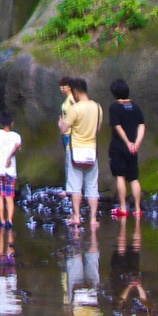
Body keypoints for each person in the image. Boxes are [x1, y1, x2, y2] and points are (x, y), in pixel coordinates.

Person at [59, 76, 103, 230]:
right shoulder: (97, 107)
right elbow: (98, 129)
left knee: (76, 187)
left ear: (76, 92)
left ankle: (77, 216)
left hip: (75, 151)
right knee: (92, 186)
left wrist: (60, 123)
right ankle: (93, 219)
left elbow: (65, 129)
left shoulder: (75, 109)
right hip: (92, 150)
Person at [107, 77, 145, 218]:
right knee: (134, 178)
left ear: (114, 93)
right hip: (133, 149)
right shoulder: (135, 107)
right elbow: (142, 125)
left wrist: (127, 142)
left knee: (120, 177)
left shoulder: (114, 107)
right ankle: (137, 209)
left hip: (118, 147)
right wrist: (136, 143)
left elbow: (117, 126)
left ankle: (123, 208)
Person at [0, 111, 22, 228]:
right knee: (9, 196)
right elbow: (18, 146)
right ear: (12, 123)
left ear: (0, 123)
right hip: (10, 170)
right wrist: (9, 157)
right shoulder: (16, 136)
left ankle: (2, 221)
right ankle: (10, 220)